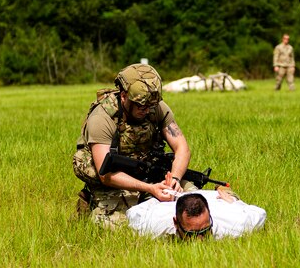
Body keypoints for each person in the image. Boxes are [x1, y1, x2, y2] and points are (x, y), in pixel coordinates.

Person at [72, 63, 192, 228]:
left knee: (193, 201)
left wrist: (175, 179)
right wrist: (150, 189)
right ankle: (90, 200)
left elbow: (182, 148)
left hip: (147, 172)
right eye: (141, 106)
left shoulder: (155, 107)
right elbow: (105, 174)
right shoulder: (102, 117)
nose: (147, 110)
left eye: (151, 106)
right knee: (120, 226)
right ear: (123, 96)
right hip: (112, 179)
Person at [127, 185, 267, 240]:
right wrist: (159, 198)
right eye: (191, 234)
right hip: (172, 199)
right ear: (176, 223)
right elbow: (133, 213)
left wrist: (234, 203)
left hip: (218, 198)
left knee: (228, 194)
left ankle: (220, 188)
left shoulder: (236, 222)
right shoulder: (155, 223)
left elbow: (260, 213)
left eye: (205, 231)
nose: (200, 240)